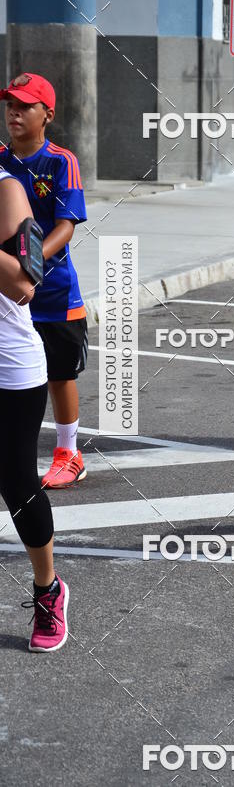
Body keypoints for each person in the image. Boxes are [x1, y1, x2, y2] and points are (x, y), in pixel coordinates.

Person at [0, 73, 88, 489]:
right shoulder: (1, 159)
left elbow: (67, 225)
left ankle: (68, 451)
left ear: (47, 115)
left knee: (59, 374)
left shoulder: (60, 160)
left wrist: (30, 263)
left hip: (53, 291)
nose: (14, 112)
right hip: (11, 292)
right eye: (10, 105)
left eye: (25, 106)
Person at [0, 169, 69, 652]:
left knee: (17, 482)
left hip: (9, 365)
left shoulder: (6, 189)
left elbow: (26, 282)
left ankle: (48, 590)